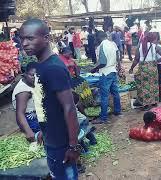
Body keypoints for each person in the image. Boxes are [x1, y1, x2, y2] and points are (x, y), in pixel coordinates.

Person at [20, 18, 80, 179]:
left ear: (46, 38)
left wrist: (73, 145)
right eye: (22, 39)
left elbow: (69, 108)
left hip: (61, 143)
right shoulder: (41, 66)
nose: (24, 43)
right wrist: (44, 131)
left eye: (30, 38)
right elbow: (48, 104)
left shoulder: (53, 68)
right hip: (51, 138)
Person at [129, 32, 161, 110]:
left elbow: (136, 59)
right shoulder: (155, 46)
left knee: (144, 86)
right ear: (152, 39)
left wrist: (131, 68)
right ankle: (154, 102)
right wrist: (157, 61)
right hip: (153, 68)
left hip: (143, 69)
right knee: (153, 85)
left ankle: (146, 105)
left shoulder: (140, 46)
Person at [90, 31, 121, 124]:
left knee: (104, 96)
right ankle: (117, 111)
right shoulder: (112, 44)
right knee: (115, 93)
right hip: (113, 71)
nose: (96, 40)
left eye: (96, 38)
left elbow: (103, 62)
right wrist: (118, 65)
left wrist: (94, 69)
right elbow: (118, 56)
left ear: (99, 37)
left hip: (105, 72)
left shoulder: (101, 46)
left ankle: (103, 118)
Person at [12, 62, 40, 142]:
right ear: (24, 75)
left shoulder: (31, 83)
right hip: (30, 121)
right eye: (32, 75)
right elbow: (20, 113)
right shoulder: (23, 92)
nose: (35, 78)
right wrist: (29, 132)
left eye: (37, 75)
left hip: (35, 115)